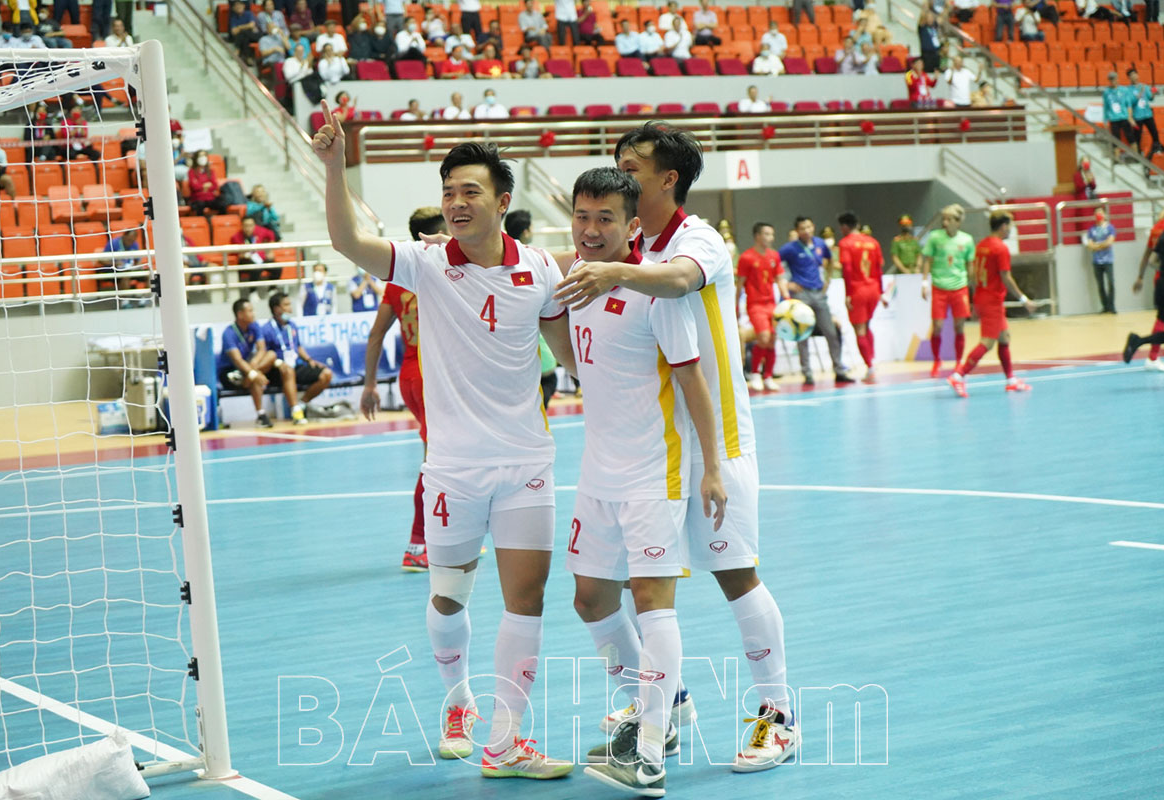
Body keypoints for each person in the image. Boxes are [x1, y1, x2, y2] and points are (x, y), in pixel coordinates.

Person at [315, 104, 576, 777]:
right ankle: (458, 701)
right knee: (449, 598)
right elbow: (346, 241)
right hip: (454, 469)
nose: (456, 204)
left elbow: (567, 351)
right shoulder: (426, 263)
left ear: (503, 201)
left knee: (528, 600)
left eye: (471, 192)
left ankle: (506, 739)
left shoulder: (542, 268)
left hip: (526, 463)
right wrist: (334, 167)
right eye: (449, 192)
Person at [554, 122, 800, 776]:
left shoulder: (697, 240)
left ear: (668, 179)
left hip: (716, 441)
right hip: (645, 448)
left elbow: (678, 280)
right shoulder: (625, 243)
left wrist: (613, 268)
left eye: (631, 167)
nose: (620, 172)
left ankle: (778, 715)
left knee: (734, 574)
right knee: (614, 592)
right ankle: (663, 701)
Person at [565, 167, 727, 798]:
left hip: (652, 474)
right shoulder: (575, 282)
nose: (591, 228)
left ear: (633, 225)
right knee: (590, 600)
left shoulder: (658, 294)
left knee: (652, 601)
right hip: (596, 473)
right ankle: (658, 709)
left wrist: (711, 468)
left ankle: (652, 753)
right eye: (582, 216)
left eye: (606, 217)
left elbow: (694, 385)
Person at [360, 206, 447, 573]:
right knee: (437, 463)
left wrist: (369, 384)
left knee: (447, 458)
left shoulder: (398, 280)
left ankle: (445, 536)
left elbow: (376, 334)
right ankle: (418, 544)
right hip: (434, 377)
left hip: (410, 375)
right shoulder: (442, 270)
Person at [944, 211, 1035, 397]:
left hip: (983, 297)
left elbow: (974, 274)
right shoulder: (1000, 248)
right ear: (1003, 227)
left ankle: (1010, 380)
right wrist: (1023, 299)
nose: (1011, 230)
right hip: (992, 300)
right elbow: (1006, 277)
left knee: (1004, 337)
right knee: (987, 342)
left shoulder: (982, 245)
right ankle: (958, 376)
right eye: (1010, 226)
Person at [777, 217, 854, 385]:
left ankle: (839, 369)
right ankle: (807, 373)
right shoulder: (789, 249)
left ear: (813, 227)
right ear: (797, 231)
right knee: (802, 334)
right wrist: (787, 283)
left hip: (819, 294)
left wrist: (828, 280)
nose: (806, 230)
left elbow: (831, 260)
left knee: (831, 332)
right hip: (801, 295)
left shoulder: (820, 244)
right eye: (802, 228)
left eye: (809, 226)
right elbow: (775, 264)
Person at [918, 203, 975, 377]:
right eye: (943, 218)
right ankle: (937, 360)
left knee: (959, 326)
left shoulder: (967, 240)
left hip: (959, 288)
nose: (945, 222)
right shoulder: (935, 237)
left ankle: (959, 362)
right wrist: (924, 282)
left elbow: (970, 264)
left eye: (949, 219)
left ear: (958, 222)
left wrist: (971, 285)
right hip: (939, 287)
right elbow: (927, 259)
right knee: (937, 326)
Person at [261, 292, 333, 423]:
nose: (290, 308)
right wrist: (277, 362)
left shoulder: (291, 325)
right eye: (286, 305)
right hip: (277, 370)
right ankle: (296, 413)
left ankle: (301, 404)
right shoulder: (266, 329)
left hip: (295, 365)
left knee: (326, 374)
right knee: (288, 370)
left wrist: (309, 360)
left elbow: (298, 347)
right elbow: (264, 354)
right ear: (277, 309)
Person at [837, 211, 888, 383]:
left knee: (859, 329)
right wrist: (881, 292)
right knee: (866, 326)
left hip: (858, 289)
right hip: (873, 288)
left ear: (844, 227)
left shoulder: (845, 243)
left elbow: (848, 270)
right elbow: (879, 269)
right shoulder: (873, 242)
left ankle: (870, 367)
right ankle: (872, 362)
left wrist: (848, 294)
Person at [219, 299, 284, 428]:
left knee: (271, 355)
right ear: (240, 314)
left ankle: (260, 413)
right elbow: (237, 360)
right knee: (254, 378)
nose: (253, 314)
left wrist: (254, 366)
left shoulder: (254, 326)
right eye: (250, 311)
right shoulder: (229, 333)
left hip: (249, 367)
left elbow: (262, 349)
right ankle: (261, 415)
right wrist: (253, 374)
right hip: (232, 371)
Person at [736, 222, 784, 391]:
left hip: (772, 304)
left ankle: (768, 376)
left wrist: (787, 298)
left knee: (772, 340)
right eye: (767, 234)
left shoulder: (774, 256)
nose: (770, 237)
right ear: (757, 236)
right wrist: (735, 306)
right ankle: (755, 373)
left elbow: (780, 279)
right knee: (763, 337)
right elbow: (740, 284)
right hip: (755, 305)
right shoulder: (747, 257)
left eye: (772, 234)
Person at [1132, 201, 1164, 371]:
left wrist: (1140, 277)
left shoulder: (1156, 228)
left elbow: (1148, 257)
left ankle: (1152, 355)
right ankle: (1152, 356)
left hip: (1161, 278)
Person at [1127, 68, 1164, 158]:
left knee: (1154, 132)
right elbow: (1130, 103)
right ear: (1129, 78)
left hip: (1148, 114)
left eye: (1135, 74)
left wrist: (1154, 93)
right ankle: (1137, 154)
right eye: (1132, 76)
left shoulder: (1144, 86)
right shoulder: (1128, 90)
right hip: (1137, 116)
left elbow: (1150, 98)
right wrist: (1138, 95)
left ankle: (1157, 149)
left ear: (1138, 75)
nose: (1134, 77)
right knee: (1137, 136)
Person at [1082, 208, 1116, 313]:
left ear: (1105, 215)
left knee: (1111, 283)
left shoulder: (1110, 228)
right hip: (1096, 261)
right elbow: (1090, 245)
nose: (1099, 215)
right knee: (1100, 285)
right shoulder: (1092, 230)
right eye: (1097, 213)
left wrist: (1097, 245)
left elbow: (1109, 242)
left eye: (1100, 213)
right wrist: (1101, 245)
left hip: (1108, 260)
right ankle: (1105, 306)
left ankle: (1111, 306)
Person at [231, 216, 279, 288]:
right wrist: (240, 255)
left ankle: (272, 290)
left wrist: (270, 251)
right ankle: (252, 291)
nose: (248, 228)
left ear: (254, 226)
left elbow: (271, 234)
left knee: (277, 268)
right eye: (246, 225)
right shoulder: (236, 237)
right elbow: (233, 254)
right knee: (256, 268)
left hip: (259, 258)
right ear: (242, 226)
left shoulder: (260, 232)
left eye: (250, 225)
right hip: (245, 261)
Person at [1102, 70, 1134, 160]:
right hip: (1114, 119)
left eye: (1114, 79)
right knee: (1115, 139)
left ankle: (1136, 156)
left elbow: (1129, 104)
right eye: (1111, 79)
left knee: (1130, 136)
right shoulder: (1106, 92)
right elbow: (1106, 107)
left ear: (1117, 79)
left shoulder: (1124, 90)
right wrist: (1105, 120)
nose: (1113, 81)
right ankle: (1117, 158)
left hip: (1124, 117)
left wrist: (1130, 117)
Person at [187, 150, 224, 216]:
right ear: (196, 158)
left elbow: (214, 185)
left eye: (204, 155)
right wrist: (206, 186)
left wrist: (201, 186)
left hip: (210, 198)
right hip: (197, 199)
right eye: (200, 156)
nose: (202, 158)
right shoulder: (191, 172)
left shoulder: (210, 171)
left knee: (222, 205)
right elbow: (194, 186)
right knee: (199, 206)